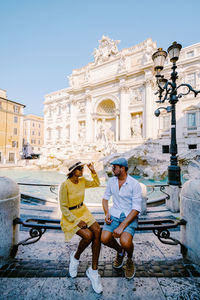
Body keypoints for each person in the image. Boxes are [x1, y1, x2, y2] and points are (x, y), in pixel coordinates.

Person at [59, 159, 103, 294]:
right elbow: (63, 208)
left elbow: (96, 183)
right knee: (88, 236)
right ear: (72, 171)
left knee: (97, 231)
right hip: (70, 216)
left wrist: (93, 171)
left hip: (83, 211)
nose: (82, 171)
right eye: (80, 168)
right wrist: (77, 221)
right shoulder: (65, 185)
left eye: (82, 168)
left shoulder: (82, 181)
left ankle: (93, 270)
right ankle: (76, 257)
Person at [101, 157, 142, 279]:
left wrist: (121, 226)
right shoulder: (111, 181)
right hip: (114, 214)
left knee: (125, 241)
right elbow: (105, 199)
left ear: (122, 168)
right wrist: (107, 213)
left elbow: (136, 209)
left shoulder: (135, 184)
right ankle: (120, 252)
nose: (112, 169)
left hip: (129, 216)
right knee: (104, 238)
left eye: (115, 167)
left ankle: (129, 259)